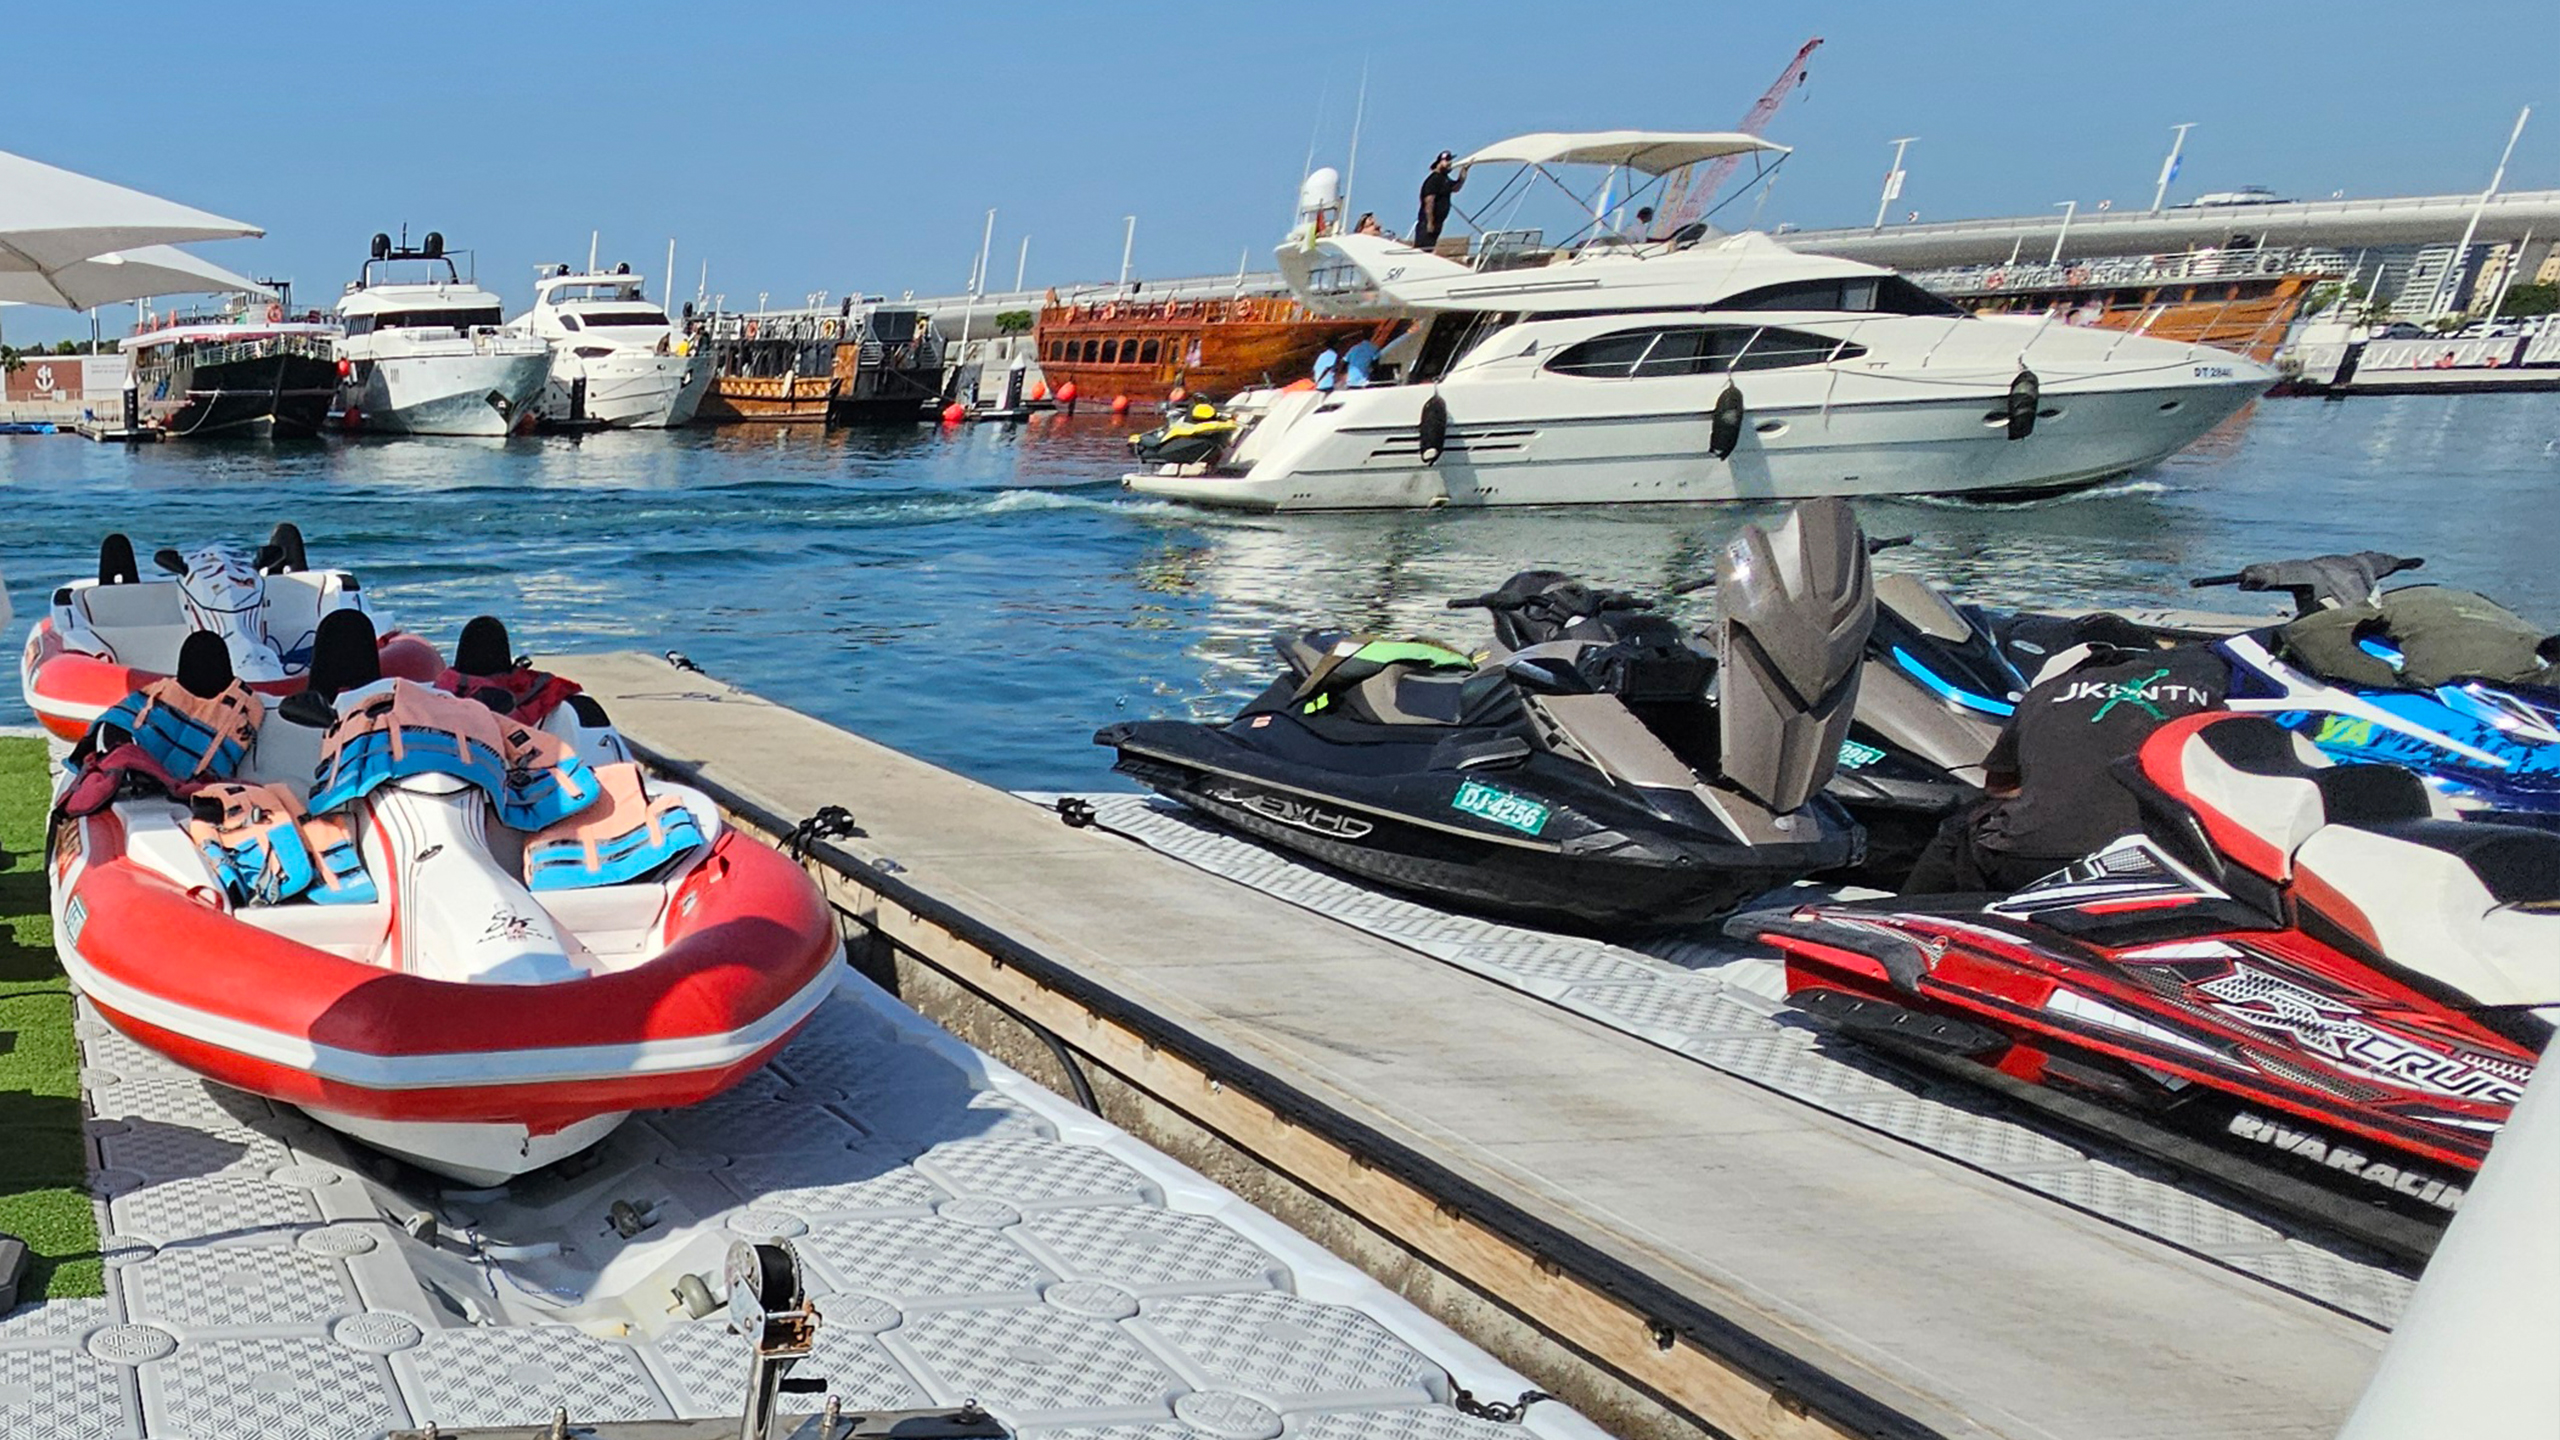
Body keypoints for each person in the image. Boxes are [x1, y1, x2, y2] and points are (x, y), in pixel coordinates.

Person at [1902, 640, 2228, 894]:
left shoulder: (2045, 693)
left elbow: (1999, 788)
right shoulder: (2201, 695)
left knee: (1960, 827)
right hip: (2162, 858)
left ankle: (1902, 923)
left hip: (2032, 859)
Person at [1413, 151, 1464, 250]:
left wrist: (1463, 173)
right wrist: (1430, 222)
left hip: (1438, 222)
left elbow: (1456, 188)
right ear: (1439, 162)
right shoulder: (1433, 180)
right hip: (1427, 223)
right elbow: (1429, 201)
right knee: (1423, 249)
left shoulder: (1444, 179)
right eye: (1447, 161)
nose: (1450, 164)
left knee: (1430, 247)